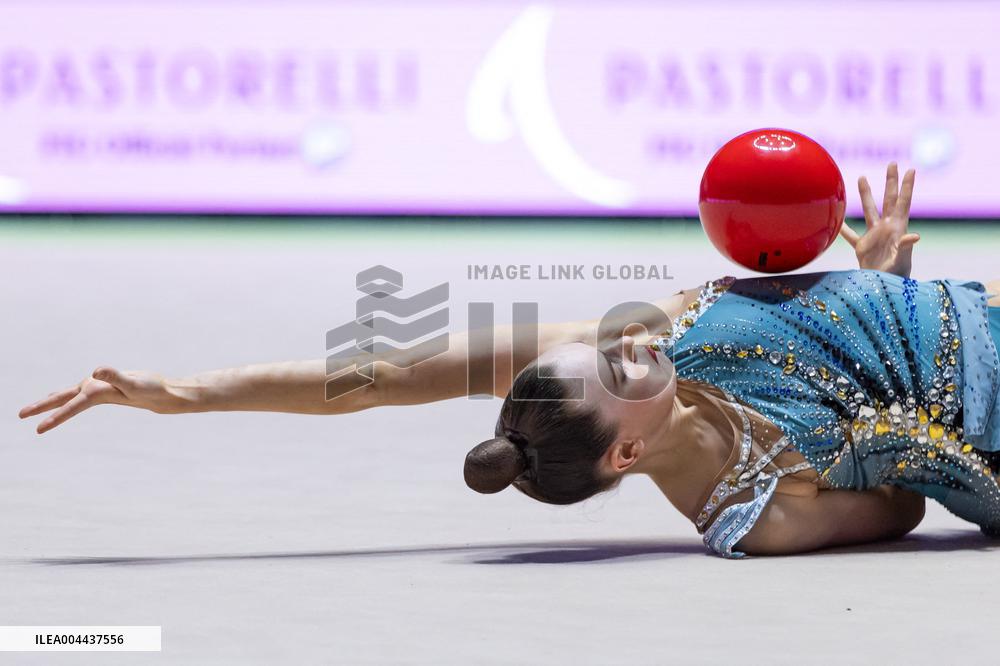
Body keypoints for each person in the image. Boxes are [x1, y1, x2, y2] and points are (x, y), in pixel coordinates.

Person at [19, 164, 1000, 559]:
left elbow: (382, 373)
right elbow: (907, 500)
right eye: (622, 368)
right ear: (625, 456)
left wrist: (178, 393)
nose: (630, 341)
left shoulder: (623, 341)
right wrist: (888, 375)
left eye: (606, 344)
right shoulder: (758, 517)